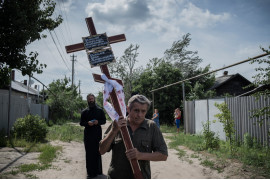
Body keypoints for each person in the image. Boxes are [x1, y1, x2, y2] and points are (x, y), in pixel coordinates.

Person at [99, 94, 168, 179]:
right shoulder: (117, 124)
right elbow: (101, 150)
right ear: (128, 109)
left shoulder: (151, 127)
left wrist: (140, 155)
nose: (140, 115)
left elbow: (163, 155)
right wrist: (113, 131)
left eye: (143, 111)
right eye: (136, 110)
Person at [80, 93, 106, 179]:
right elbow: (81, 123)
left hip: (97, 134)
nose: (91, 100)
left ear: (94, 99)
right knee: (89, 153)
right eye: (89, 99)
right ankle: (90, 173)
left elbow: (104, 121)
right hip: (88, 135)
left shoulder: (100, 110)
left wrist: (98, 122)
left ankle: (98, 171)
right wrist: (87, 123)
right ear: (87, 100)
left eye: (92, 98)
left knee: (97, 152)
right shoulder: (84, 112)